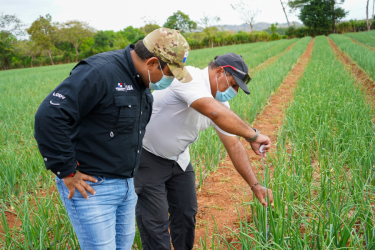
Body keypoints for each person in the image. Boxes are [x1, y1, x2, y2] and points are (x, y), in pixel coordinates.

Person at [33, 28, 192, 250]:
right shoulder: (100, 72)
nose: (170, 80)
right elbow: (50, 116)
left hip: (126, 185)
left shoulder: (142, 83)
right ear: (153, 63)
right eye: (170, 74)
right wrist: (66, 170)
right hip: (92, 188)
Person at [134, 53, 274, 250]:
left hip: (179, 159)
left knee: (186, 214)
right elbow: (213, 112)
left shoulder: (219, 101)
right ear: (219, 72)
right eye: (233, 85)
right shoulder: (186, 76)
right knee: (155, 223)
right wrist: (253, 135)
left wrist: (255, 185)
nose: (233, 91)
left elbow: (233, 145)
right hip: (148, 157)